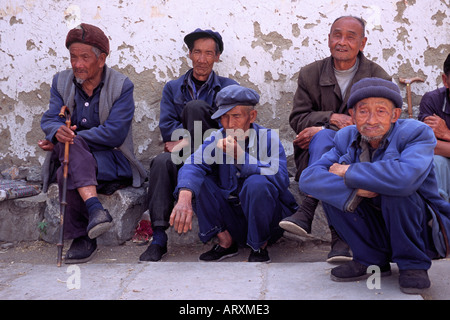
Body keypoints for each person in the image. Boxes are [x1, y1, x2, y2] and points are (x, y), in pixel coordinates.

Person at [300, 77, 450, 294]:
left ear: (395, 115)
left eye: (381, 111)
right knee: (331, 192)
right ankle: (370, 259)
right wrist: (356, 188)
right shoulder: (345, 137)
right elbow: (309, 178)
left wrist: (350, 172)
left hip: (421, 230)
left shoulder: (416, 133)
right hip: (376, 221)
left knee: (396, 192)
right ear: (352, 115)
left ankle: (413, 264)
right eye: (363, 111)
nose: (371, 120)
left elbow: (405, 178)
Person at [280, 15, 391, 262]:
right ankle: (339, 237)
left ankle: (307, 210)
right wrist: (332, 118)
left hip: (360, 154)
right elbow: (297, 119)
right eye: (337, 35)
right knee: (324, 140)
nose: (342, 42)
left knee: (324, 137)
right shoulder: (310, 74)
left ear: (362, 43)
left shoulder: (377, 77)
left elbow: (382, 127)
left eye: (350, 37)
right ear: (329, 39)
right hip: (314, 154)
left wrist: (323, 128)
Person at [39, 23, 147, 263]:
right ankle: (95, 210)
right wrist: (56, 133)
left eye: (85, 57)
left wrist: (68, 139)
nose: (77, 64)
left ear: (101, 59)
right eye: (73, 57)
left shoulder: (121, 85)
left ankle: (82, 237)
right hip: (75, 158)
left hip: (111, 158)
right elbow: (50, 118)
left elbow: (114, 133)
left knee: (68, 156)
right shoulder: (61, 82)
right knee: (69, 158)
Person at [139, 28, 238, 262]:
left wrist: (188, 140)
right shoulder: (173, 88)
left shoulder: (228, 87)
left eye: (208, 53)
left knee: (194, 107)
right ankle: (159, 239)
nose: (202, 59)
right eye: (197, 52)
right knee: (162, 161)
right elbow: (167, 128)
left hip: (217, 157)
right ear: (190, 55)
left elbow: (233, 127)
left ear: (217, 56)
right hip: (185, 156)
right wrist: (185, 141)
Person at [169, 85, 298, 263]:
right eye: (224, 117)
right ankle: (226, 242)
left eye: (236, 116)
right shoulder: (217, 138)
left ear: (251, 116)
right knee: (199, 181)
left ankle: (259, 246)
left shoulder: (268, 138)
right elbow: (193, 163)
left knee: (257, 183)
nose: (229, 124)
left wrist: (241, 158)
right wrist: (184, 196)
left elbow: (281, 178)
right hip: (232, 220)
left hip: (267, 222)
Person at [418, 54, 450, 202]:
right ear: (445, 80)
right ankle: (441, 217)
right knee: (437, 162)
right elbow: (429, 145)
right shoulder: (432, 100)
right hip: (445, 162)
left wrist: (447, 134)